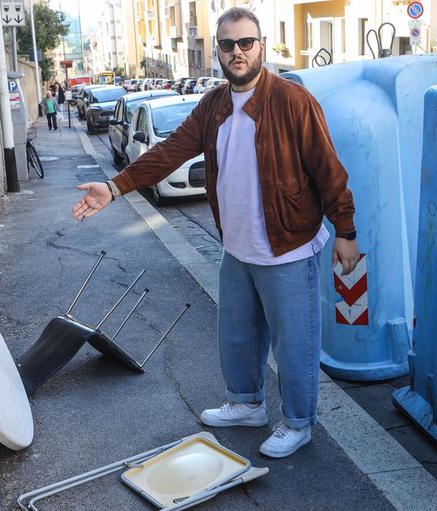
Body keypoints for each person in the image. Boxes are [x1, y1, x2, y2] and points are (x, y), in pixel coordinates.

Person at [71, 7, 359, 459]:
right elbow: (168, 152)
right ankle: (247, 404)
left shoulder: (292, 101)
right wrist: (114, 186)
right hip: (238, 247)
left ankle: (298, 423)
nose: (237, 52)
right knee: (238, 335)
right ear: (218, 53)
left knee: (295, 344)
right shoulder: (213, 106)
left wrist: (346, 230)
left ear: (261, 45)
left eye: (246, 43)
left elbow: (329, 171)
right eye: (228, 45)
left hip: (288, 247)